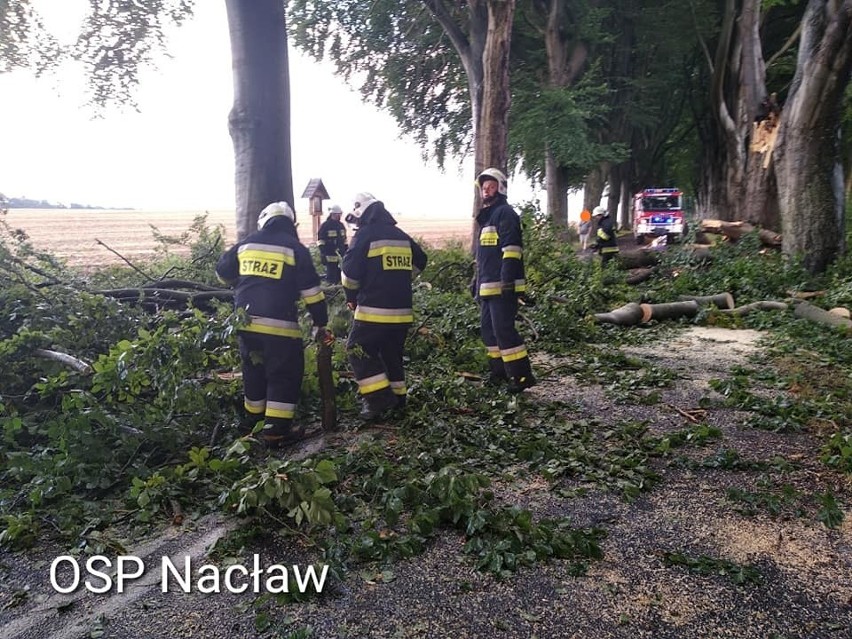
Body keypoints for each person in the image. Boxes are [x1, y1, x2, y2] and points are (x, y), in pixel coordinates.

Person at [216, 201, 333, 447]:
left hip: (245, 325)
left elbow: (223, 271)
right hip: (280, 328)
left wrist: (244, 283)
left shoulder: (247, 243)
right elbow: (312, 293)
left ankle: (253, 422)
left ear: (264, 220)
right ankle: (276, 430)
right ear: (291, 224)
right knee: (284, 374)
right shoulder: (295, 249)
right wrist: (320, 322)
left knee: (253, 371)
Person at [341, 192, 428, 420]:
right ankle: (398, 399)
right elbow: (422, 259)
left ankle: (378, 400)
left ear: (361, 213)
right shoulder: (400, 235)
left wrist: (351, 296)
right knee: (391, 354)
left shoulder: (364, 235)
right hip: (401, 312)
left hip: (373, 311)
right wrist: (400, 279)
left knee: (356, 349)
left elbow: (349, 274)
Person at [472, 168, 536, 393]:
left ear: (501, 188)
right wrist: (475, 283)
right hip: (488, 287)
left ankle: (521, 377)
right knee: (488, 332)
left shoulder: (505, 213)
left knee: (504, 331)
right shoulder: (488, 217)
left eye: (491, 186)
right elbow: (484, 258)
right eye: (484, 187)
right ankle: (498, 372)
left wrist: (507, 282)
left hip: (502, 287)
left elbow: (511, 250)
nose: (487, 191)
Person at [317, 204, 348, 283]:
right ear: (332, 214)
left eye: (340, 214)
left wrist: (346, 251)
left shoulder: (341, 226)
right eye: (338, 214)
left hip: (341, 256)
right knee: (331, 275)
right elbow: (320, 241)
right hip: (329, 255)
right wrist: (323, 253)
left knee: (340, 275)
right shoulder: (325, 226)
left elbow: (344, 240)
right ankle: (331, 289)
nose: (339, 216)